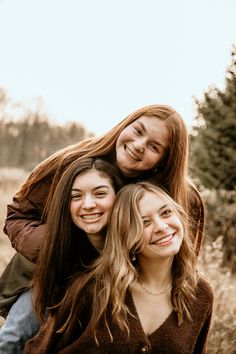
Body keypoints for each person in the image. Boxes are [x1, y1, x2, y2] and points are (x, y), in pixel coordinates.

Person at [0, 104, 204, 349]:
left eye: (154, 146)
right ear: (125, 124)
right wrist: (60, 246)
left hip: (115, 284)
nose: (139, 145)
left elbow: (180, 252)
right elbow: (19, 215)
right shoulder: (72, 163)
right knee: (16, 338)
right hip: (51, 274)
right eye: (138, 131)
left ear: (165, 159)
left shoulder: (168, 194)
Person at [24, 182, 214, 353]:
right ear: (127, 237)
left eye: (166, 213)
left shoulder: (200, 296)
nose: (161, 227)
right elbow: (40, 349)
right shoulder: (93, 290)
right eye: (144, 222)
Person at [0, 157, 123, 353]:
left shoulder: (131, 251)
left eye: (100, 193)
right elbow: (12, 340)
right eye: (76, 196)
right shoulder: (56, 247)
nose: (88, 204)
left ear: (118, 196)